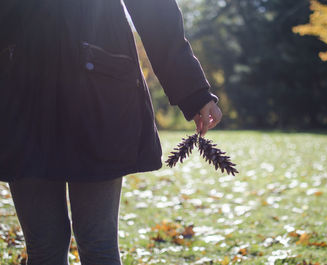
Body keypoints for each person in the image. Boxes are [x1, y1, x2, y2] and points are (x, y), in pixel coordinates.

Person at [0, 0, 222, 264]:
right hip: (24, 94)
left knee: (97, 242)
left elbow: (154, 9)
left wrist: (195, 92)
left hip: (96, 91)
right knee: (44, 245)